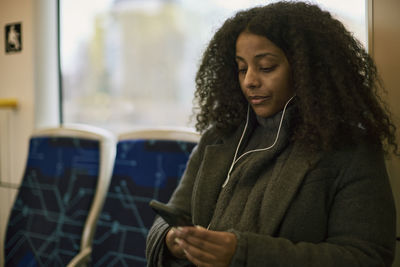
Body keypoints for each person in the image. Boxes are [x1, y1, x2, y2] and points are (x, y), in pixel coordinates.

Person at [146, 2, 398, 266]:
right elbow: (168, 219)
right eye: (242, 68)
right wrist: (172, 240)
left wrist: (241, 254)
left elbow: (366, 256)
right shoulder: (219, 137)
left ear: (305, 70)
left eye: (266, 67)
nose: (249, 81)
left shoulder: (349, 148)